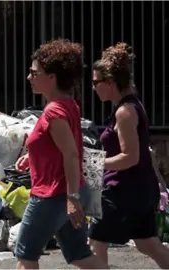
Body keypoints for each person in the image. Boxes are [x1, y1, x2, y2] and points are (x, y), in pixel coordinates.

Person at [13, 39, 108, 269]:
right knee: (80, 255)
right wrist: (32, 157)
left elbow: (71, 154)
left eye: (34, 72)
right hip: (67, 194)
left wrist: (72, 199)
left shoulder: (53, 111)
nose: (29, 77)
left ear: (52, 77)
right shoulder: (68, 104)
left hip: (54, 196)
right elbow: (63, 145)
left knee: (26, 255)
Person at [89, 42, 169, 268]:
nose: (93, 88)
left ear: (110, 83)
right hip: (140, 189)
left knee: (96, 243)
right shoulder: (132, 106)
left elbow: (130, 157)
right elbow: (145, 152)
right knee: (148, 244)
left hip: (123, 191)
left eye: (96, 82)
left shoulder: (125, 112)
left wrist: (95, 162)